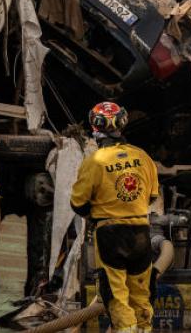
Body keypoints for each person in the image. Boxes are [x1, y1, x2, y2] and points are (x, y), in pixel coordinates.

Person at [70, 102, 160, 333]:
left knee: (116, 296)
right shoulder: (143, 157)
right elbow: (151, 196)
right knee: (142, 295)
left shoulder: (94, 162)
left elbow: (78, 205)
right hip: (141, 232)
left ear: (95, 128)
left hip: (110, 235)